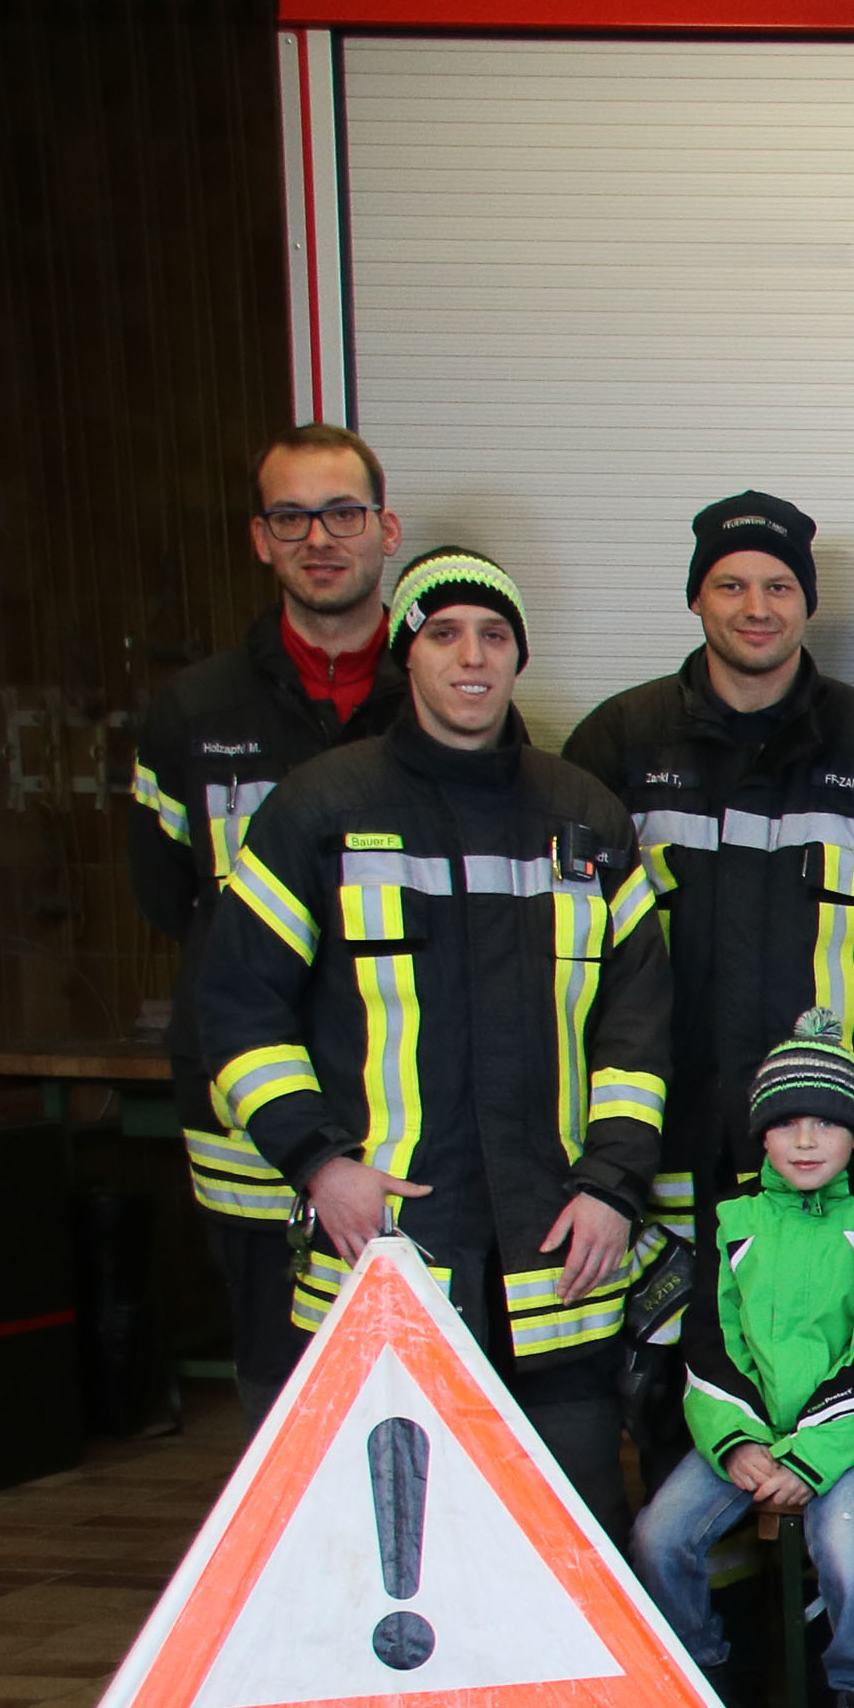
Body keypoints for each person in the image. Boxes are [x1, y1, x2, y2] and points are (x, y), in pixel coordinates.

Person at [189, 546, 665, 1528]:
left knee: (572, 1533)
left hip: (557, 1252)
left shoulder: (584, 817)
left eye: (495, 636)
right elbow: (236, 1011)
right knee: (392, 1537)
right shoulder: (321, 810)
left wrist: (613, 1184)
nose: (472, 657)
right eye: (445, 634)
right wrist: (321, 1165)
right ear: (408, 655)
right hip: (391, 1240)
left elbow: (639, 1026)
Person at [562, 491, 854, 1211]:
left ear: (806, 603)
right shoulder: (618, 747)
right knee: (683, 1327)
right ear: (696, 597)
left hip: (834, 1142)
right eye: (732, 585)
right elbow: (563, 955)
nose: (758, 607)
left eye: (779, 586)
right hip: (658, 1147)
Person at [128, 423, 409, 1415]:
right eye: (291, 516)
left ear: (386, 528)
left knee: (414, 1387)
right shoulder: (193, 713)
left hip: (396, 1110)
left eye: (341, 513)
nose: (318, 538)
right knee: (282, 1400)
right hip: (249, 1124)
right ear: (261, 538)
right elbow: (168, 895)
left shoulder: (440, 700)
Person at [629, 1013, 854, 1708]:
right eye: (787, 1121)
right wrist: (740, 1443)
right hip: (745, 1435)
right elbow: (708, 1342)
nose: (804, 1139)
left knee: (847, 1543)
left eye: (826, 1121)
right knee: (658, 1537)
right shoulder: (728, 1215)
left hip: (846, 1438)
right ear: (761, 1131)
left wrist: (806, 1455)